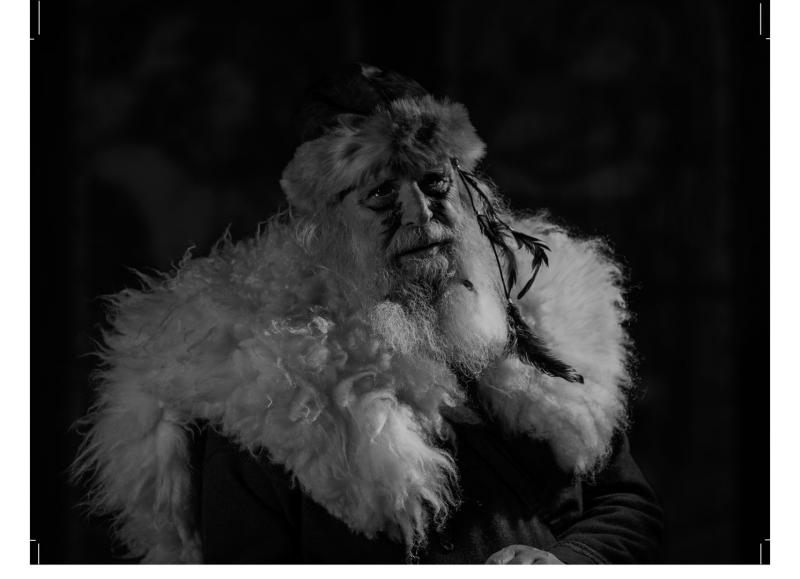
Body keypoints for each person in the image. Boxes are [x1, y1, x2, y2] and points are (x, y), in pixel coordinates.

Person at [74, 63, 663, 564]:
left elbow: (624, 504)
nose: (420, 213)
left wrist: (565, 562)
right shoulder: (265, 398)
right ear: (325, 227)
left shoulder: (543, 321)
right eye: (381, 195)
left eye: (434, 183)